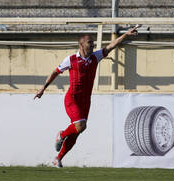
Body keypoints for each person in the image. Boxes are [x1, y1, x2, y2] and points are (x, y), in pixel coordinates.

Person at [34, 26, 139, 168]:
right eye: (90, 42)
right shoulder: (71, 60)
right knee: (80, 125)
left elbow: (111, 46)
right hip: (72, 99)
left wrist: (125, 34)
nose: (93, 45)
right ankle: (62, 134)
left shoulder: (95, 57)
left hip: (85, 101)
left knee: (78, 132)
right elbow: (55, 72)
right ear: (81, 44)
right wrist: (43, 88)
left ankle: (58, 158)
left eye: (93, 42)